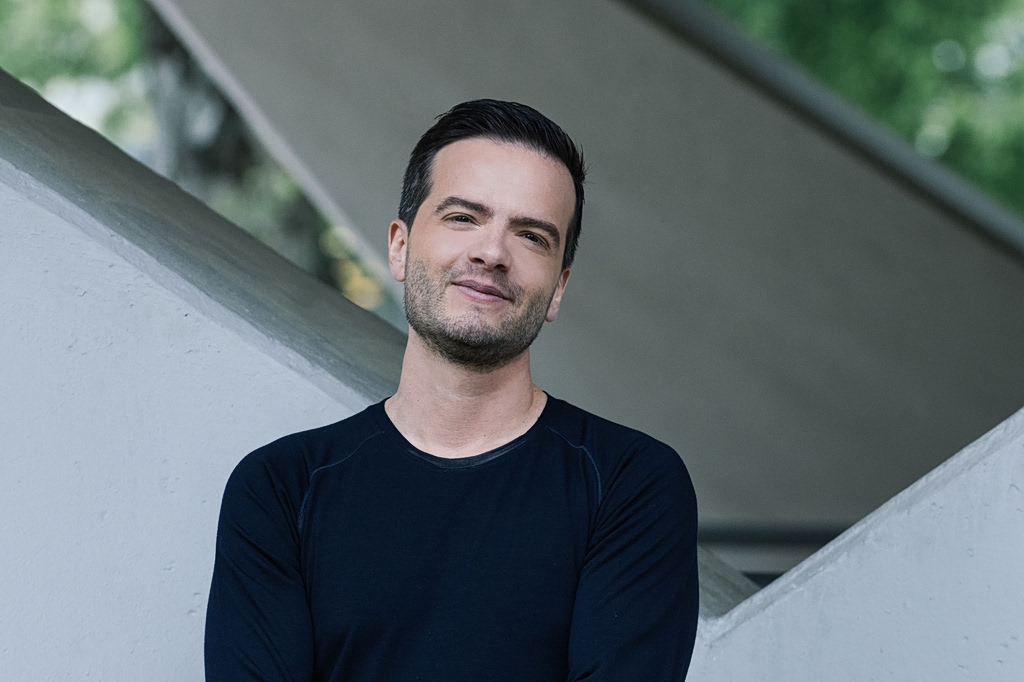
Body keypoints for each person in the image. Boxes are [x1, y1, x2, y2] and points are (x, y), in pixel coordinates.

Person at [204, 99, 699, 681]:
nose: (492, 253)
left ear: (559, 288)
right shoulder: (281, 490)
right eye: (463, 217)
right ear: (400, 246)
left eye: (532, 236)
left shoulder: (629, 484)